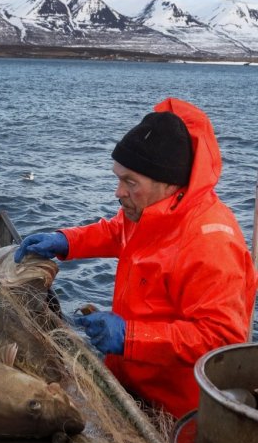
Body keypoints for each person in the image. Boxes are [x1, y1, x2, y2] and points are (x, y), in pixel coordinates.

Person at [14, 97, 257, 419]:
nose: (118, 191)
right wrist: (66, 241)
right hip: (133, 380)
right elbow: (118, 232)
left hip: (179, 407)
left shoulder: (211, 244)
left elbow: (220, 340)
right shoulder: (149, 209)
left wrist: (131, 337)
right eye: (118, 177)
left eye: (130, 182)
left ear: (170, 184)